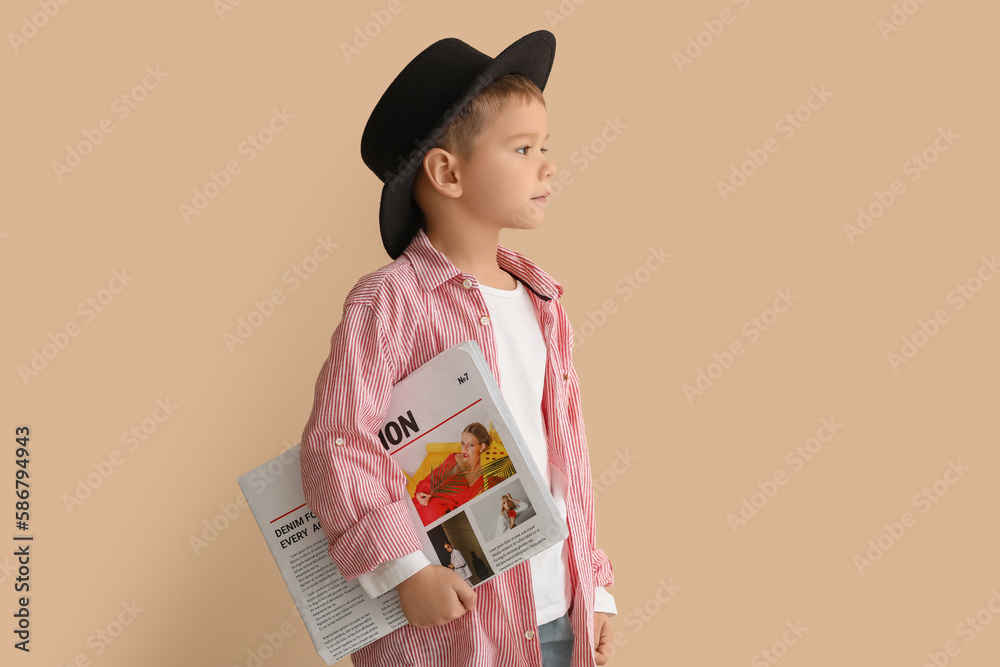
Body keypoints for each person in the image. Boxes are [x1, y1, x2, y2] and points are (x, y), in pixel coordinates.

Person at [299, 30, 616, 667]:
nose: (547, 165)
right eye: (523, 148)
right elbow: (337, 444)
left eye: (544, 147)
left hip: (557, 620)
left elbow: (564, 459)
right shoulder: (391, 302)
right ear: (447, 172)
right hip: (453, 636)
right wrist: (406, 568)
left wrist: (595, 587)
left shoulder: (543, 301)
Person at [412, 422, 505, 525]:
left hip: (451, 521)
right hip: (424, 510)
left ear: (482, 447)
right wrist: (420, 494)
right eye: (463, 443)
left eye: (470, 445)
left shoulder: (487, 473)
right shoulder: (455, 460)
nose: (464, 448)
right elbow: (431, 480)